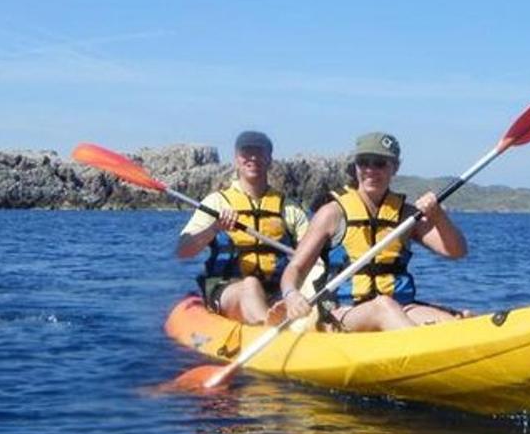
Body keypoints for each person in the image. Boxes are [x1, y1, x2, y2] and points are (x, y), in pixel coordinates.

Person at [278, 132, 467, 331]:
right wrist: (291, 295)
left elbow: (457, 251)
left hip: (402, 307)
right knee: (383, 307)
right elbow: (295, 268)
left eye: (379, 163)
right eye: (363, 162)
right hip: (344, 312)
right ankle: (419, 350)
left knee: (452, 322)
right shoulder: (332, 213)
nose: (370, 170)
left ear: (395, 167)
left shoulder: (406, 215)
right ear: (356, 167)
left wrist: (439, 216)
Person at [176, 131, 309, 325]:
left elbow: (312, 250)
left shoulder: (289, 208)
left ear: (269, 159)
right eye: (246, 152)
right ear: (237, 159)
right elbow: (183, 251)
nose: (253, 158)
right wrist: (214, 228)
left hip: (276, 288)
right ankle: (268, 325)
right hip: (228, 287)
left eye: (259, 152)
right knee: (251, 285)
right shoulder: (217, 202)